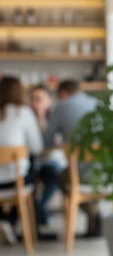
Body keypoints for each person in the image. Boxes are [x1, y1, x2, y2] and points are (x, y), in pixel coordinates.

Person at [43, 79, 100, 237]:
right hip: (107, 171)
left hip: (81, 173)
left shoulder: (61, 106)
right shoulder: (97, 103)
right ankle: (94, 216)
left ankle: (91, 212)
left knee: (61, 177)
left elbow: (46, 140)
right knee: (84, 175)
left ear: (62, 94)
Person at [0, 75, 43, 244]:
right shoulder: (24, 113)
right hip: (15, 181)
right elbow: (37, 148)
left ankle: (5, 220)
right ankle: (12, 222)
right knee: (33, 173)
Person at [29, 84, 67, 230]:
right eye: (32, 99)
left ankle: (40, 209)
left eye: (39, 99)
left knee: (54, 174)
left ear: (48, 100)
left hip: (52, 161)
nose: (35, 103)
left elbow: (56, 143)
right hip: (33, 163)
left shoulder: (55, 118)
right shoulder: (26, 118)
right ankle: (39, 213)